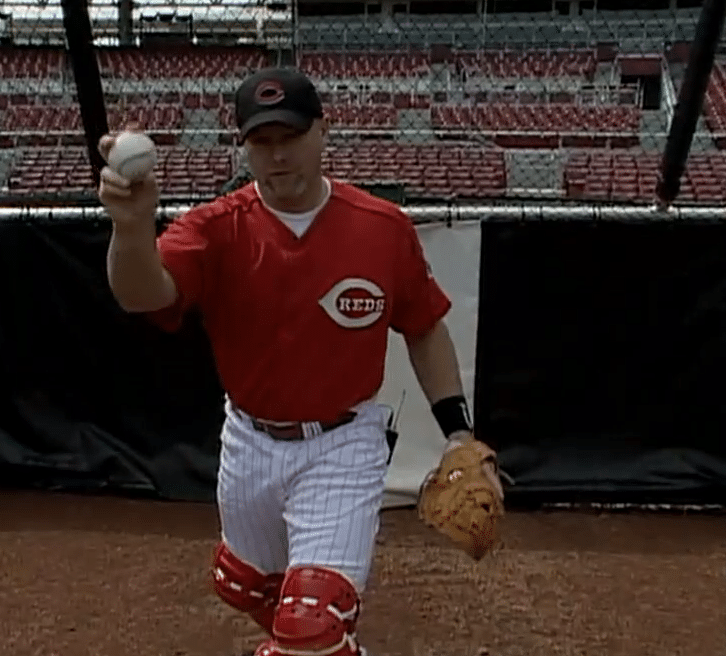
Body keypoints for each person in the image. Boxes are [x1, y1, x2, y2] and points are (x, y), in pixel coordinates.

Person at [99, 66, 476, 656]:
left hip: (342, 444)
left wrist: (458, 435)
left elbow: (424, 328)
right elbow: (142, 295)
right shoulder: (217, 228)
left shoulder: (380, 227)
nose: (277, 156)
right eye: (262, 142)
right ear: (246, 147)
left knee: (311, 624)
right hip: (249, 442)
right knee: (250, 589)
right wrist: (130, 228)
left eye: (291, 137)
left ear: (323, 133)